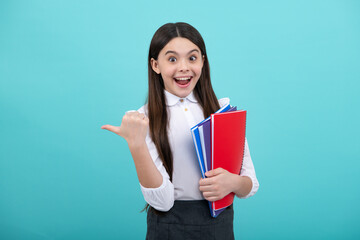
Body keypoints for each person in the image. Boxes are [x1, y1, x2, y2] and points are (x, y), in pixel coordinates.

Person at [101, 22, 259, 240]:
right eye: (172, 59)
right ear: (155, 65)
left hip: (218, 226)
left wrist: (232, 183)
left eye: (192, 58)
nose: (184, 67)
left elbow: (250, 183)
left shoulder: (222, 113)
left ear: (203, 61)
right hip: (167, 228)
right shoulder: (144, 119)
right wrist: (136, 145)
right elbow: (162, 202)